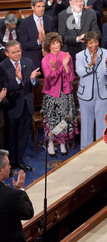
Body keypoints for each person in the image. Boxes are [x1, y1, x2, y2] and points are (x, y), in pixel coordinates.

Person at [0, 40, 40, 172]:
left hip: (27, 105)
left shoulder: (28, 62)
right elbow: (5, 88)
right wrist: (17, 79)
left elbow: (35, 84)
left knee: (23, 136)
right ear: (7, 54)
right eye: (13, 52)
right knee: (11, 138)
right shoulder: (2, 67)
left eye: (19, 51)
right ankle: (10, 164)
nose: (17, 54)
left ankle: (19, 161)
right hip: (12, 107)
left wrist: (34, 79)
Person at [40, 32, 78, 157]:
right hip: (52, 94)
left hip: (66, 93)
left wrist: (66, 66)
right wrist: (55, 69)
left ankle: (62, 142)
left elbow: (71, 77)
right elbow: (49, 79)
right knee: (51, 120)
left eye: (57, 43)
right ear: (48, 46)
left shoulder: (66, 56)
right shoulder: (45, 59)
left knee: (64, 119)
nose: (56, 45)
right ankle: (50, 143)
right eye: (53, 43)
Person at [76, 31, 107, 150]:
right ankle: (86, 151)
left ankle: (101, 150)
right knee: (86, 124)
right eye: (90, 42)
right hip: (85, 94)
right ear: (86, 44)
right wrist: (91, 64)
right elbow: (80, 72)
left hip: (103, 94)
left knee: (102, 124)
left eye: (96, 42)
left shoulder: (106, 53)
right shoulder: (80, 56)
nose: (94, 45)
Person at [0, 149, 34, 242]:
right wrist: (20, 189)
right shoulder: (13, 195)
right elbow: (28, 212)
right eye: (8, 165)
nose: (10, 167)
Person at [58, 0, 101, 65]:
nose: (79, 4)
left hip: (88, 52)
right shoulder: (62, 15)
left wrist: (87, 37)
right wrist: (77, 39)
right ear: (70, 2)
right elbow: (62, 36)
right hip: (70, 52)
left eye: (81, 1)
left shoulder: (91, 14)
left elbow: (97, 34)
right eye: (76, 1)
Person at [18, 0, 55, 69]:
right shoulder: (25, 23)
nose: (41, 9)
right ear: (32, 7)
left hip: (49, 54)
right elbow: (24, 45)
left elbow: (54, 38)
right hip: (32, 55)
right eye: (38, 6)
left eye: (43, 6)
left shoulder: (50, 20)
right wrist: (38, 41)